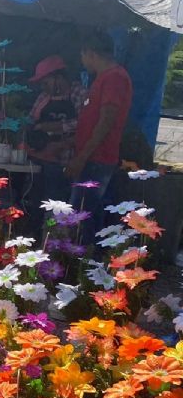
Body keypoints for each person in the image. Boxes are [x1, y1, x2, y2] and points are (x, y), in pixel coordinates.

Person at [66, 31, 133, 244]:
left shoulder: (114, 78)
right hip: (92, 158)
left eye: (82, 56)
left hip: (96, 160)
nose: (82, 61)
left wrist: (81, 157)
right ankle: (80, 264)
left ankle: (82, 266)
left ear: (90, 53)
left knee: (83, 218)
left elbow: (106, 122)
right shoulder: (103, 79)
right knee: (82, 215)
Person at [26, 55, 85, 202]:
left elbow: (86, 124)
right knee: (33, 200)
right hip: (39, 160)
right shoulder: (43, 97)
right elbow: (30, 120)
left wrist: (58, 127)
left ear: (58, 78)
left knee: (55, 203)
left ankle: (53, 225)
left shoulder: (79, 93)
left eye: (45, 83)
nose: (43, 87)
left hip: (65, 163)